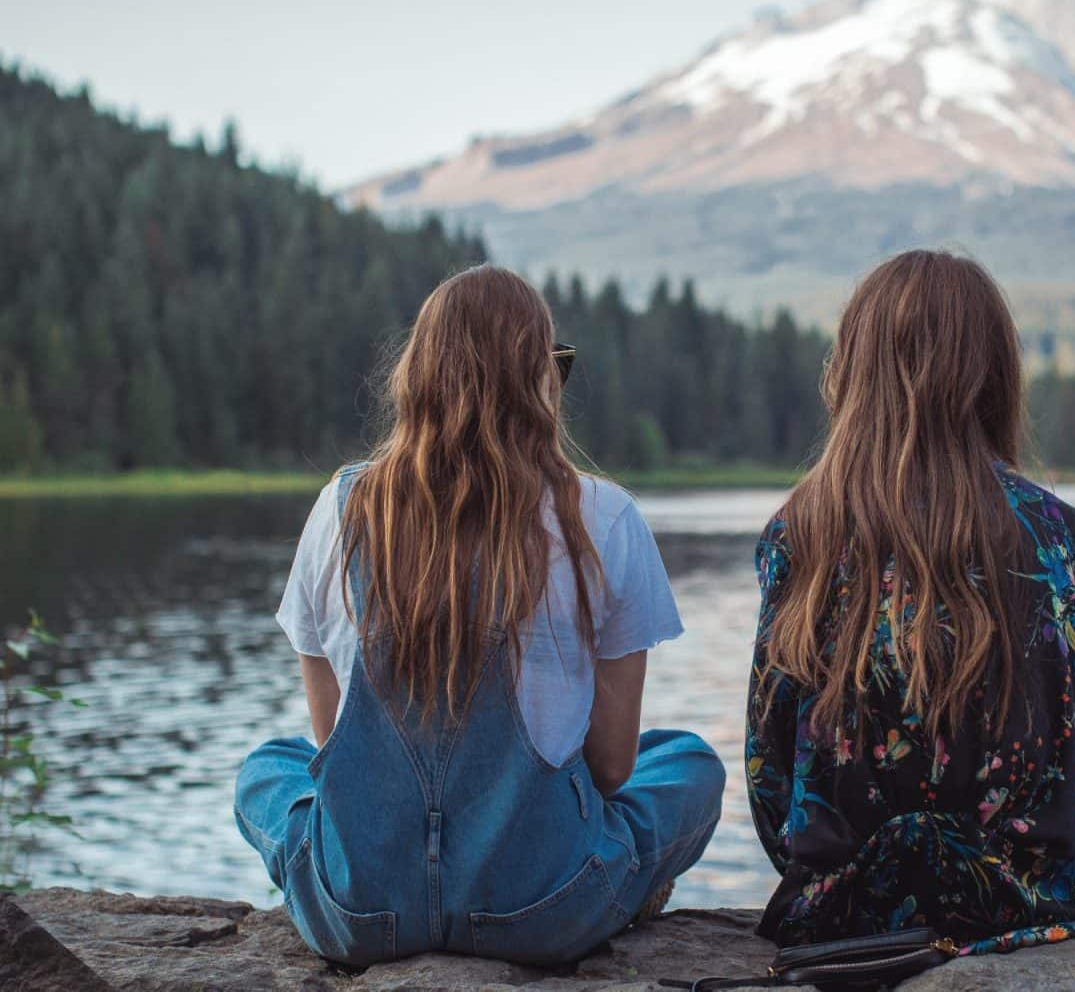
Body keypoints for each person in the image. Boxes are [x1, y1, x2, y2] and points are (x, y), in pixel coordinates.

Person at [234, 265, 722, 968]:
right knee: (687, 762)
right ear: (540, 383)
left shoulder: (342, 508)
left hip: (363, 913)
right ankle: (619, 878)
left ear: (419, 377)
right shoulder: (604, 516)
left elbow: (331, 748)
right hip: (542, 912)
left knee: (269, 767)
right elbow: (614, 768)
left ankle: (320, 880)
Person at [745, 250, 1075, 954]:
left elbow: (770, 774)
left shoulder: (798, 532)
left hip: (847, 913)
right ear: (994, 377)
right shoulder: (1052, 532)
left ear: (852, 371)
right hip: (1031, 908)